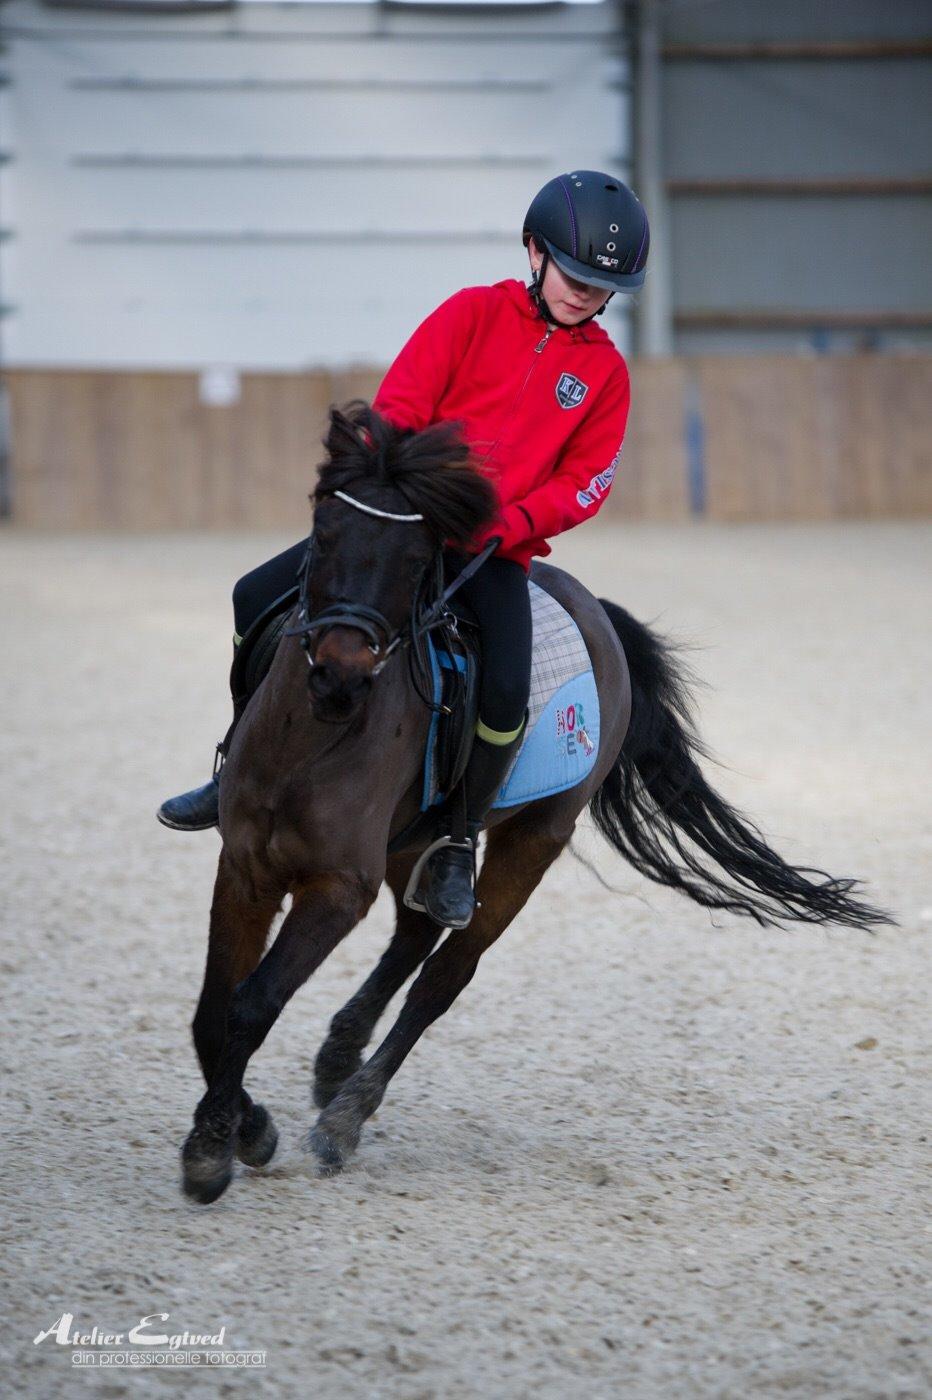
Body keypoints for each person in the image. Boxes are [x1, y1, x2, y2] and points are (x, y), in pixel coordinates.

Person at [157, 170, 649, 928]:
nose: (584, 293)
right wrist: (398, 492)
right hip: (405, 527)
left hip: (494, 553)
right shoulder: (469, 315)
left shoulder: (604, 375)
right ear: (533, 251)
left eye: (600, 285)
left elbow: (588, 483)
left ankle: (455, 841)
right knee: (253, 598)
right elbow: (401, 406)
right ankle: (232, 765)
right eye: (574, 274)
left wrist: (509, 523)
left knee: (506, 695)